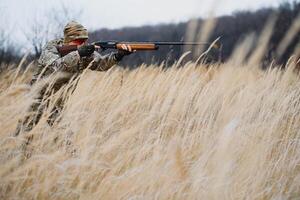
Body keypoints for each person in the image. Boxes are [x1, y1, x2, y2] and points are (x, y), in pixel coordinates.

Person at [15, 21, 133, 136]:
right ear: (68, 39)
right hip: (36, 98)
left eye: (84, 40)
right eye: (78, 41)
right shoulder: (51, 49)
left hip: (56, 103)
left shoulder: (84, 51)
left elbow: (101, 64)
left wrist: (119, 55)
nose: (82, 43)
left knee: (65, 140)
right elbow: (58, 66)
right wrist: (78, 53)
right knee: (22, 138)